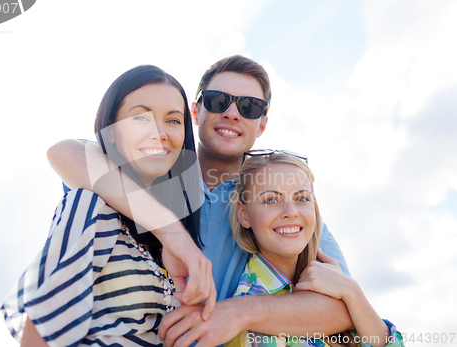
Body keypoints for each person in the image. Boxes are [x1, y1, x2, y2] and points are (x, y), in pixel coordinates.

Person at [48, 55, 354, 347]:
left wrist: (238, 312)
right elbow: (66, 152)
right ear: (195, 112)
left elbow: (342, 309)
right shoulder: (152, 170)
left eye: (249, 106)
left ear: (262, 125)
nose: (232, 113)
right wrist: (171, 233)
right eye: (218, 100)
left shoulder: (276, 202)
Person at [1, 65, 215, 347]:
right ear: (111, 132)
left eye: (173, 121)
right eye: (140, 117)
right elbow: (41, 333)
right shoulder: (90, 207)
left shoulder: (182, 225)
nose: (159, 132)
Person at [223, 150, 404, 347]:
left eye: (301, 198)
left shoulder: (334, 283)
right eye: (271, 200)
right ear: (244, 214)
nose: (291, 212)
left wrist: (351, 291)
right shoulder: (247, 317)